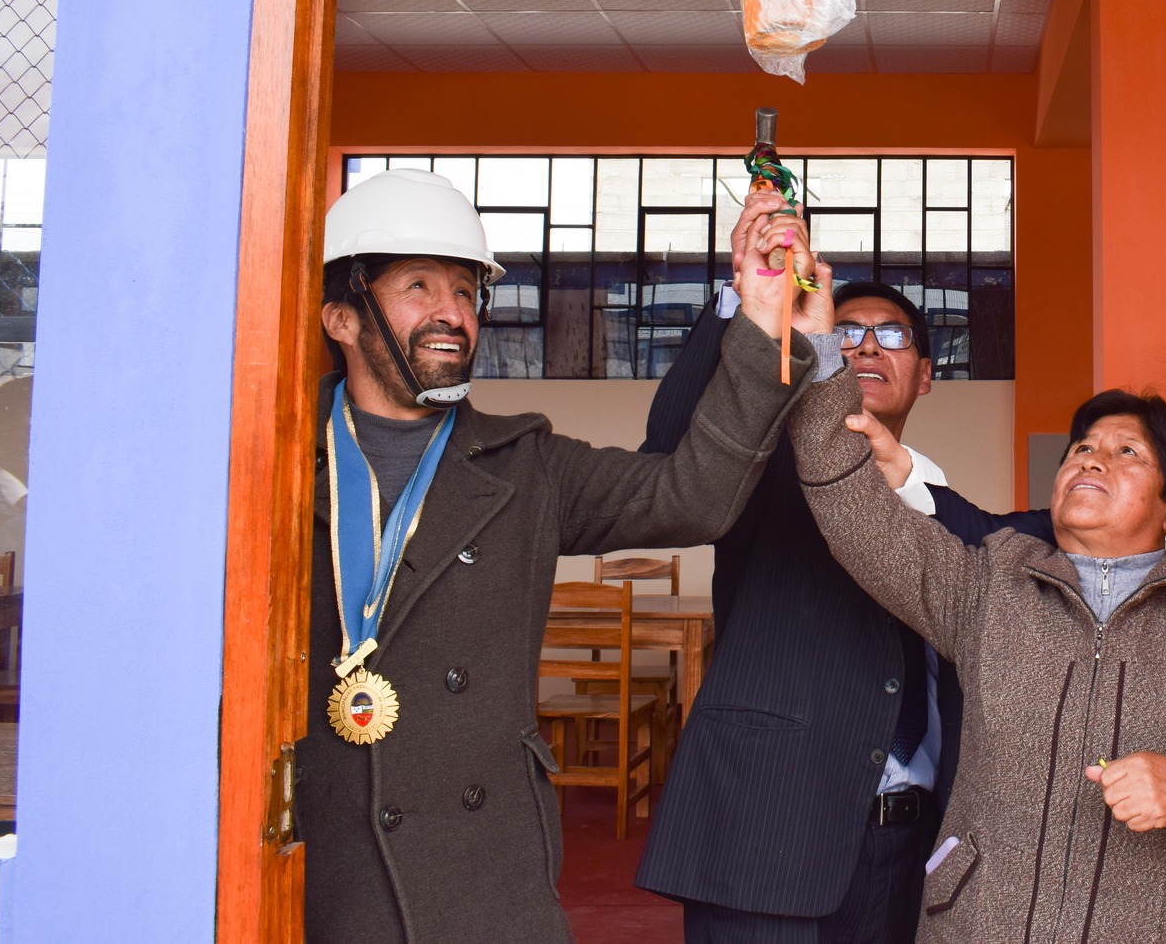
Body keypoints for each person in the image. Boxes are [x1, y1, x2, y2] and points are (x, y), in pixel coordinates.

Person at [295, 168, 820, 944]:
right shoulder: (266, 470)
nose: (452, 315)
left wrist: (763, 321)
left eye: (467, 293)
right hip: (322, 876)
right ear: (343, 316)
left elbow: (693, 494)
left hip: (487, 887)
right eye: (418, 286)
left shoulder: (527, 465)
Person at [787, 369, 1166, 944]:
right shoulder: (990, 583)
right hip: (981, 925)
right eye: (1083, 448)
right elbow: (850, 509)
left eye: (1127, 453)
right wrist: (819, 355)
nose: (1093, 461)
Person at [637, 249, 1054, 943]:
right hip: (765, 836)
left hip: (904, 850)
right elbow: (670, 454)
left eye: (890, 334)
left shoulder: (945, 511)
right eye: (846, 329)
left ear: (925, 375)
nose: (863, 343)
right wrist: (743, 295)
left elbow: (1038, 548)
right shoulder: (756, 475)